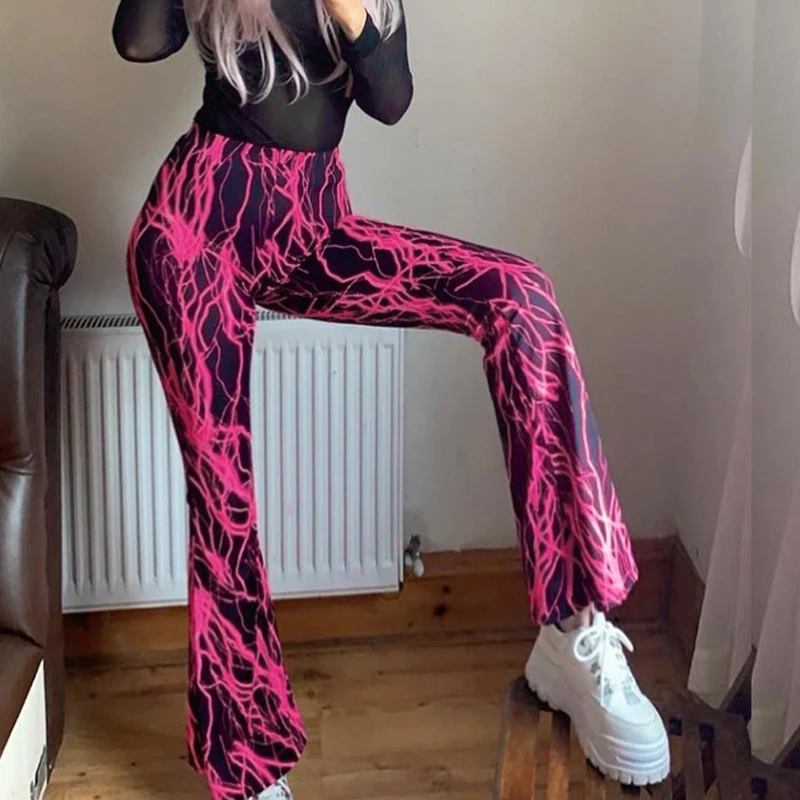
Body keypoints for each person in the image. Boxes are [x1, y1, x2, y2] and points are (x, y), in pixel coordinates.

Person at [111, 1, 670, 798]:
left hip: (313, 223)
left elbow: (390, 96)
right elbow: (139, 40)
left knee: (519, 295)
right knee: (223, 496)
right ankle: (243, 761)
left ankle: (572, 627)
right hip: (195, 229)